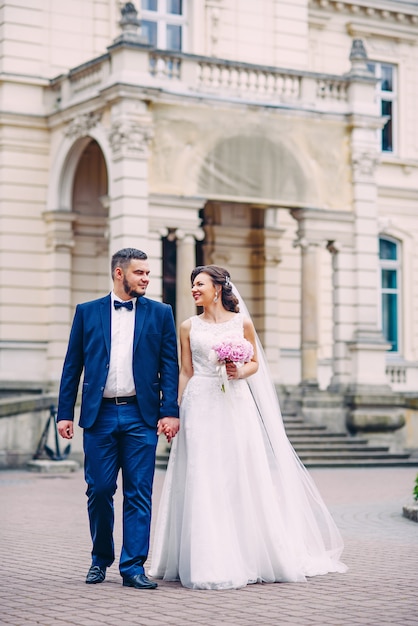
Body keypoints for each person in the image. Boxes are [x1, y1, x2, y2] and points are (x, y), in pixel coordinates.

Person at [149, 265, 347, 590]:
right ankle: (204, 559)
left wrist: (239, 371)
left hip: (234, 404)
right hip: (199, 404)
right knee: (201, 474)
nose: (194, 290)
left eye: (199, 284)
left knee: (237, 473)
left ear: (217, 287)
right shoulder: (187, 326)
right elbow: (185, 370)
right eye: (192, 285)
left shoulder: (241, 322)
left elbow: (254, 362)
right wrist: (175, 409)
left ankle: (247, 554)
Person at [57, 247, 179, 590]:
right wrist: (65, 412)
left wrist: (170, 410)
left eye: (148, 273)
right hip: (100, 415)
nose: (146, 279)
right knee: (98, 490)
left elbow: (169, 366)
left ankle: (133, 566)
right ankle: (100, 558)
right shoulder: (87, 312)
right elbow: (72, 365)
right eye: (140, 273)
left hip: (142, 417)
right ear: (119, 273)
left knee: (139, 492)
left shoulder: (160, 313)